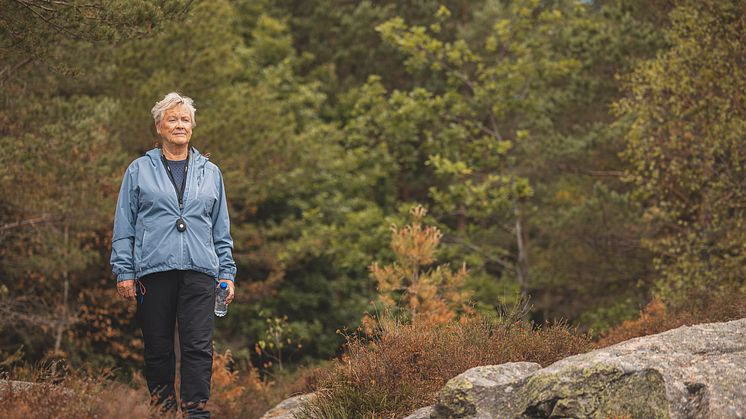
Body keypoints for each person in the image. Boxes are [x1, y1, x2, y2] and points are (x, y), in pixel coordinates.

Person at [110, 92, 237, 418]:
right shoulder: (139, 170)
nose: (180, 125)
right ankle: (164, 411)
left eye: (185, 120)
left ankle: (196, 412)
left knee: (197, 346)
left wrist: (227, 273)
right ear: (159, 127)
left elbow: (221, 229)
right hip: (154, 270)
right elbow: (125, 224)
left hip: (200, 271)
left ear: (192, 127)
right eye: (173, 119)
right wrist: (124, 271)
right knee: (158, 347)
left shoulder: (211, 173)